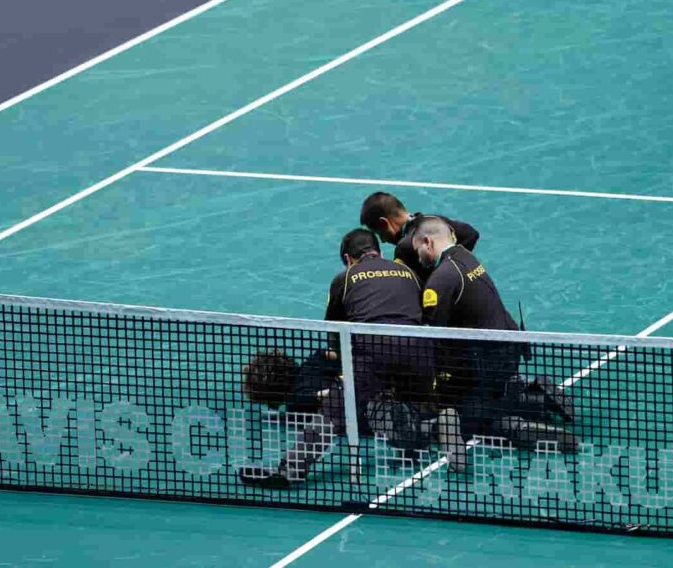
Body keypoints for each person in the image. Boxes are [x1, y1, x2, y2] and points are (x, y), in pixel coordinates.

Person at [238, 229, 434, 487]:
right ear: (379, 251)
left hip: (374, 349)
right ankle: (435, 429)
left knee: (335, 412)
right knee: (411, 405)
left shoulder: (345, 278)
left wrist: (349, 373)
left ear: (348, 258)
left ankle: (290, 471)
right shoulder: (409, 272)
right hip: (421, 349)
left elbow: (336, 333)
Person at [411, 217, 576, 470]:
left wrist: (429, 383)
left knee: (472, 420)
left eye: (418, 250)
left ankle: (517, 427)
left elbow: (432, 339)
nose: (419, 257)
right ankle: (533, 399)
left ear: (427, 241)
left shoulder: (440, 279)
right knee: (490, 398)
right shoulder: (465, 256)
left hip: (485, 362)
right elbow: (466, 231)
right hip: (510, 348)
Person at [360, 191, 479, 283]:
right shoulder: (435, 221)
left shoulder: (405, 249)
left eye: (380, 233)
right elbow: (471, 234)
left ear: (384, 223)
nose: (383, 240)